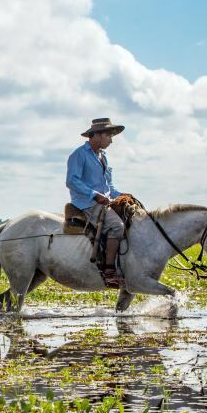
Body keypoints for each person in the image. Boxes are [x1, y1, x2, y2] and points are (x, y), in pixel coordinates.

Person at [66, 118, 126, 288]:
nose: (111, 140)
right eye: (109, 135)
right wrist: (95, 194)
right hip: (86, 203)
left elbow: (109, 188)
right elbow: (72, 181)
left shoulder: (103, 157)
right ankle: (109, 272)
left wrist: (122, 195)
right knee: (117, 226)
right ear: (97, 135)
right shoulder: (79, 154)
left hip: (103, 202)